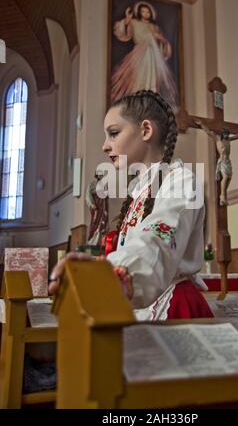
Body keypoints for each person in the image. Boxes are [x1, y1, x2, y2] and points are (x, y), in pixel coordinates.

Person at [49, 90, 213, 320]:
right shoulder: (139, 190)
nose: (105, 146)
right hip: (140, 305)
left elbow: (157, 242)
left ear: (146, 130)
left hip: (174, 307)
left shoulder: (182, 182)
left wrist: (112, 275)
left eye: (113, 134)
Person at [111, 1, 178, 110]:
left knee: (153, 78)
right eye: (143, 11)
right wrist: (127, 21)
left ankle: (151, 100)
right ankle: (138, 102)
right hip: (140, 53)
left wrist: (161, 39)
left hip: (153, 54)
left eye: (147, 12)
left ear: (151, 13)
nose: (145, 14)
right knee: (139, 76)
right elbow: (126, 35)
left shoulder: (154, 27)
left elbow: (161, 44)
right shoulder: (134, 23)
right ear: (140, 12)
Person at [199, 123, 238, 206]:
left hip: (228, 161)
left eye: (227, 134)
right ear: (222, 134)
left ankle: (224, 194)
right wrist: (201, 124)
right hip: (222, 161)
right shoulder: (218, 139)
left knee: (229, 178)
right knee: (225, 177)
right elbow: (208, 132)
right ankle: (222, 196)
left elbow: (236, 137)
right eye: (225, 134)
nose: (227, 135)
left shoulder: (228, 140)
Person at [86, 171, 109, 245]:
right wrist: (92, 204)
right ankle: (92, 241)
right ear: (96, 175)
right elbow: (88, 195)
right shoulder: (92, 184)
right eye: (99, 174)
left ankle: (101, 242)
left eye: (101, 175)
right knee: (95, 222)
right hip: (96, 207)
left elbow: (106, 196)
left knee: (103, 222)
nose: (100, 176)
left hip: (103, 207)